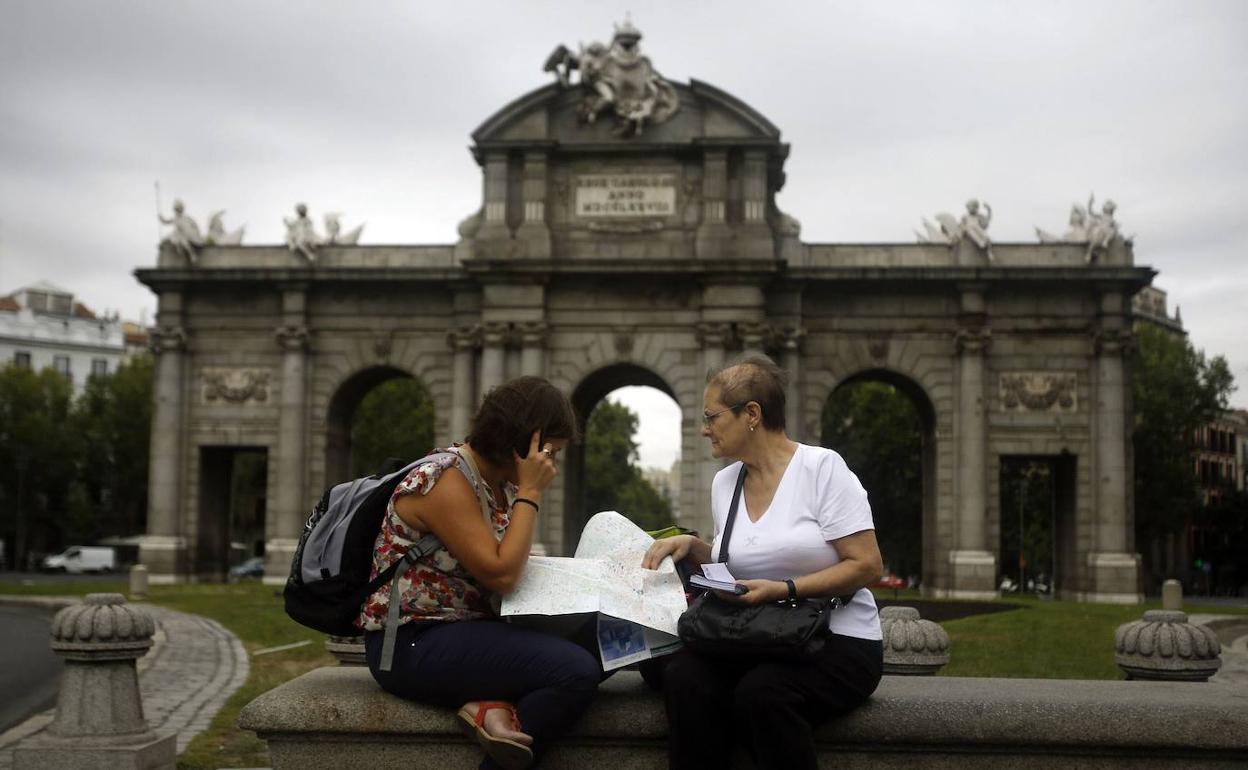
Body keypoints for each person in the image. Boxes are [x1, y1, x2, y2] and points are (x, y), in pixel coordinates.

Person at [642, 355, 885, 770]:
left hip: (835, 639)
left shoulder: (822, 469)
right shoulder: (725, 483)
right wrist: (692, 547)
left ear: (751, 414)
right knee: (683, 678)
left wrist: (786, 589)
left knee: (763, 693)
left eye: (711, 417)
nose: (704, 429)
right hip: (758, 637)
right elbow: (738, 562)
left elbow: (867, 566)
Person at [357, 376, 598, 770]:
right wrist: (531, 494)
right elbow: (501, 574)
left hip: (468, 630)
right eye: (550, 452)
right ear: (525, 443)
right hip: (410, 642)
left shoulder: (496, 482)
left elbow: (509, 566)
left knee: (603, 640)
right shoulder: (445, 480)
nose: (551, 465)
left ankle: (490, 704)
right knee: (574, 672)